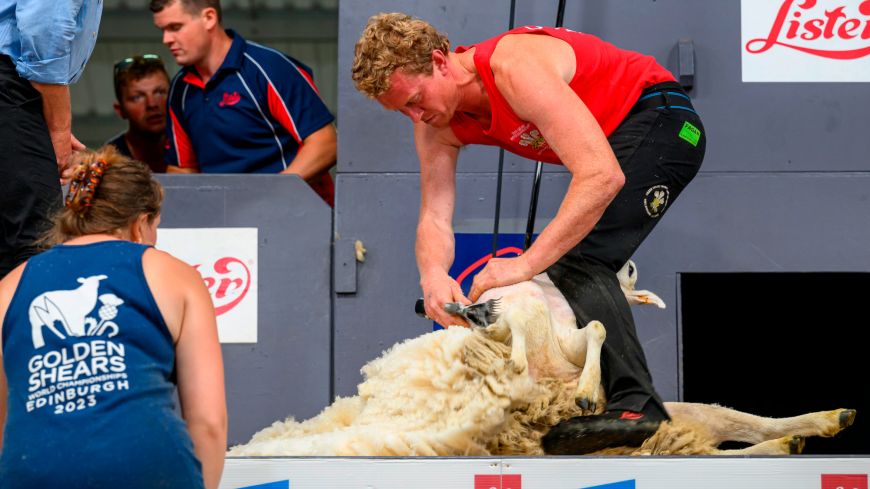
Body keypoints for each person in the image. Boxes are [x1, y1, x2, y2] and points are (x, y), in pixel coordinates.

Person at [352, 13, 706, 454]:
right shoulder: (435, 124)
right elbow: (435, 217)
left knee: (576, 258)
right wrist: (433, 275)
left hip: (663, 120)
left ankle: (636, 405)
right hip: (617, 140)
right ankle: (616, 399)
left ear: (441, 62)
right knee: (567, 258)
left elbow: (600, 175)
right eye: (401, 110)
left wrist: (525, 263)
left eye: (416, 99)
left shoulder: (515, 68)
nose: (415, 116)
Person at [0, 146, 227, 488]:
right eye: (155, 228)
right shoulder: (173, 274)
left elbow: (4, 426)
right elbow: (208, 422)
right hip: (149, 468)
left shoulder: (9, 286)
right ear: (140, 224)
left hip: (33, 473)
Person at [151, 0, 339, 206]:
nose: (166, 39)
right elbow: (183, 168)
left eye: (175, 27)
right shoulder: (181, 89)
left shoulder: (268, 68)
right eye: (162, 30)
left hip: (296, 214)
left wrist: (272, 196)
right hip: (226, 222)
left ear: (209, 18)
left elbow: (326, 144)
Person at [0, 0, 102, 280]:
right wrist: (57, 128)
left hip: (15, 90)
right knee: (37, 240)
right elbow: (44, 29)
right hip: (10, 85)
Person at [107, 53, 171, 173]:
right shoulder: (108, 162)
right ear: (120, 110)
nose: (152, 104)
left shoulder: (198, 146)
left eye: (160, 92)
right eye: (137, 97)